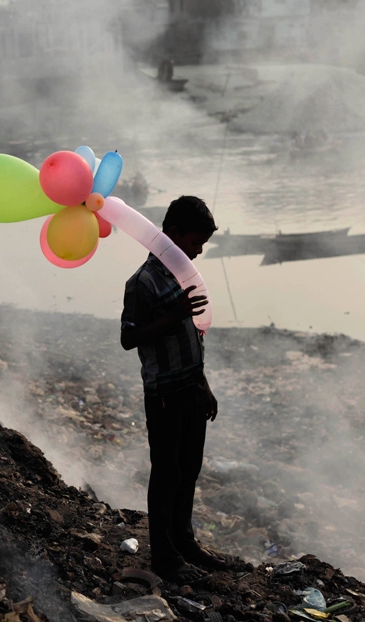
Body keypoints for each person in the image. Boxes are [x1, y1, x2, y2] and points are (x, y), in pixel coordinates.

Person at [120, 195, 228, 584]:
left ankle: (185, 542)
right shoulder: (143, 282)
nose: (198, 252)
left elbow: (193, 336)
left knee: (189, 469)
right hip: (164, 394)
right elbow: (128, 338)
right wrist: (174, 314)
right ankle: (164, 557)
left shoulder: (184, 277)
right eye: (195, 242)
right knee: (166, 472)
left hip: (190, 390)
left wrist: (205, 385)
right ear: (173, 233)